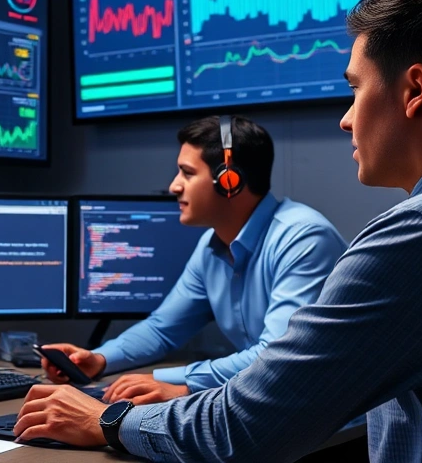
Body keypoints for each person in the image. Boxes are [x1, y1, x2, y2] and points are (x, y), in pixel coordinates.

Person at [13, 0, 422, 462]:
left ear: (414, 90)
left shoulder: (421, 237)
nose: (346, 118)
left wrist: (107, 418)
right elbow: (164, 326)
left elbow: (247, 425)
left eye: (355, 88)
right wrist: (101, 358)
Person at [40, 115, 346, 405]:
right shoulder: (211, 246)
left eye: (187, 173)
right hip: (268, 400)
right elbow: (162, 329)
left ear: (229, 181)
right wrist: (100, 359)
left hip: (324, 417)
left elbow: (275, 356)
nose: (174, 186)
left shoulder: (303, 238)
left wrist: (177, 381)